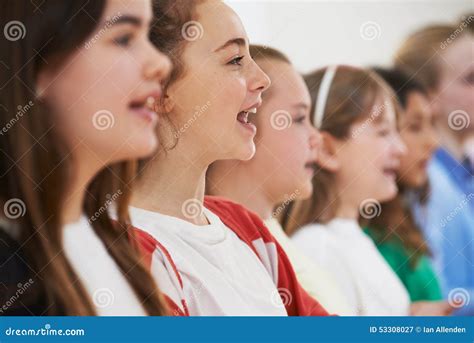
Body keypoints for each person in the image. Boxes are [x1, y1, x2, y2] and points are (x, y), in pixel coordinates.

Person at [0, 0, 171, 315]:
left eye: (148, 36)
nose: (161, 63)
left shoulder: (116, 246)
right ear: (36, 62)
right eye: (123, 38)